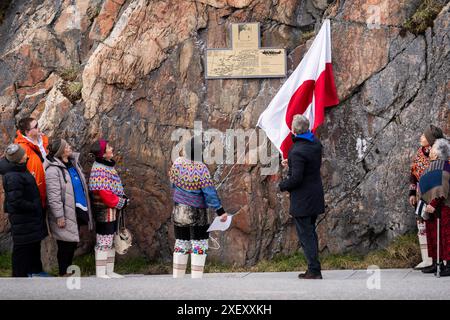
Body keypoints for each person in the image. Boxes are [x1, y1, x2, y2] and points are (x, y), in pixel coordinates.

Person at [168, 137, 227, 278]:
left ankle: (177, 278)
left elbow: (172, 184)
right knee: (199, 244)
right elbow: (209, 193)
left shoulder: (177, 163)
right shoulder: (201, 168)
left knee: (181, 243)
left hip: (179, 211)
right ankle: (196, 279)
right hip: (197, 213)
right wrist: (220, 211)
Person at [279, 114, 324, 280]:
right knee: (311, 232)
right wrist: (291, 162)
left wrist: (282, 185)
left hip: (303, 199)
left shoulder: (297, 151)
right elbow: (307, 164)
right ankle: (314, 267)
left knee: (306, 235)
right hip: (315, 194)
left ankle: (314, 270)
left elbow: (296, 179)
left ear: (294, 130)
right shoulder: (315, 143)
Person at [45, 139, 93, 276]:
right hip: (64, 212)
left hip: (76, 208)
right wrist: (59, 215)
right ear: (61, 151)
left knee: (71, 241)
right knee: (65, 243)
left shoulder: (73, 164)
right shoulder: (53, 170)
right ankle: (63, 271)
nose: (70, 147)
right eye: (66, 146)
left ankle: (67, 269)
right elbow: (53, 196)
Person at [0, 144, 47, 277]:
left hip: (29, 220)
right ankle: (18, 281)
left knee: (32, 247)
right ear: (19, 158)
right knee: (22, 251)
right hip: (23, 220)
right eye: (24, 153)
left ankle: (35, 272)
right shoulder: (13, 176)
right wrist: (34, 205)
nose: (26, 154)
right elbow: (15, 201)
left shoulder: (19, 169)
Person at [88, 139, 128, 278]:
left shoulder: (107, 167)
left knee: (110, 240)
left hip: (111, 210)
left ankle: (109, 271)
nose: (112, 148)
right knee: (103, 240)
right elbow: (105, 194)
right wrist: (120, 202)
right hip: (104, 210)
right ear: (103, 154)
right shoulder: (99, 170)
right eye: (109, 147)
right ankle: (100, 272)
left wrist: (121, 199)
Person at [409, 125, 444, 270]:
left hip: (436, 195)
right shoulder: (420, 153)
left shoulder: (440, 153)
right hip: (421, 194)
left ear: (430, 139)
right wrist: (412, 193)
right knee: (423, 225)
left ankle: (439, 261)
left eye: (423, 136)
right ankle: (427, 258)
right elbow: (413, 172)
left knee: (438, 227)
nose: (421, 138)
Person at [418, 138, 450, 276]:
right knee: (433, 235)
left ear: (436, 154)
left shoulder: (445, 167)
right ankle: (437, 262)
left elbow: (443, 187)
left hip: (444, 206)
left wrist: (433, 203)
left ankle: (448, 265)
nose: (429, 151)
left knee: (446, 235)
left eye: (432, 149)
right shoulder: (432, 165)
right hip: (430, 206)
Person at [14, 117, 49, 209]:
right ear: (27, 132)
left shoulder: (44, 139)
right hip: (38, 192)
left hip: (52, 184)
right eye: (36, 126)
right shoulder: (22, 148)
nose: (39, 127)